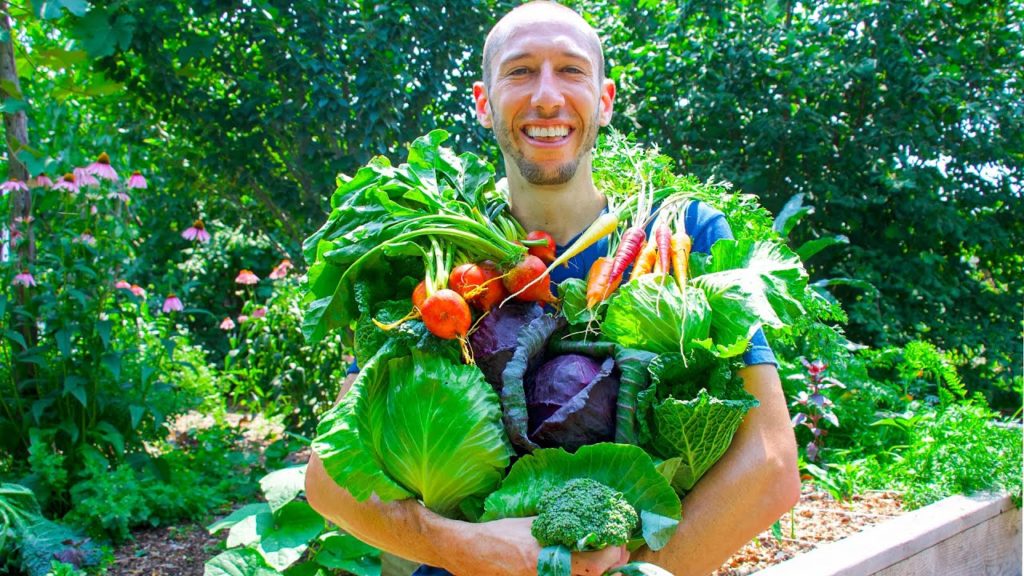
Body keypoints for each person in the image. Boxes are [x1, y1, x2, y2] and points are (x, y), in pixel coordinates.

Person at [305, 2, 800, 575]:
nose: (545, 96)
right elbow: (329, 477)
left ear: (605, 100)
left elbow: (770, 464)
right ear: (484, 104)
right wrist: (466, 548)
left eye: (570, 70)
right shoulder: (437, 256)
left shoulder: (685, 232)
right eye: (519, 71)